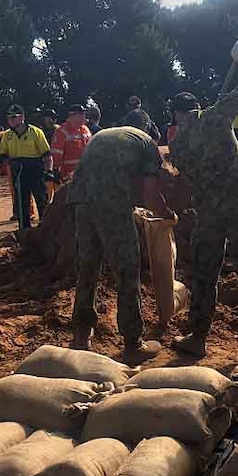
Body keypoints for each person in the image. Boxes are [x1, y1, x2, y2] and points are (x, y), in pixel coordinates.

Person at [167, 40, 238, 359]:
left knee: (205, 274)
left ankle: (198, 337)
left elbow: (189, 173)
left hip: (209, 212)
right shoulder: (217, 115)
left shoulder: (178, 146)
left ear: (176, 116)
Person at [69, 127, 173, 365]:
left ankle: (81, 336)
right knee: (127, 270)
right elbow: (150, 197)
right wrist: (167, 213)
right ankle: (133, 342)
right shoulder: (148, 145)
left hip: (81, 202)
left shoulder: (106, 135)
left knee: (88, 268)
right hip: (113, 206)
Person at [0, 104, 54, 229]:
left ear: (22, 117)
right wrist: (9, 162)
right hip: (18, 172)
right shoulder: (7, 136)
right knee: (22, 205)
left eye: (14, 117)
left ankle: (47, 229)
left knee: (42, 201)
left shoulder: (35, 132)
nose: (11, 120)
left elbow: (47, 155)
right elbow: (1, 155)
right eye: (9, 118)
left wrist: (49, 171)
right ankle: (25, 231)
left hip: (35, 170)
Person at [50, 104, 92, 183]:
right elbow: (56, 156)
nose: (84, 117)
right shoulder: (61, 132)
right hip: (68, 177)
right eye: (82, 115)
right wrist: (56, 171)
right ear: (73, 116)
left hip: (85, 174)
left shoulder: (85, 130)